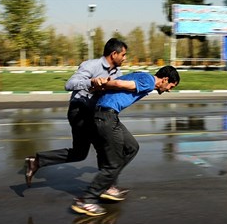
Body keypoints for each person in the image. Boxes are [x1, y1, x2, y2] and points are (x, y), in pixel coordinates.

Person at [71, 65, 180, 216]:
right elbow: (117, 83)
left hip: (108, 115)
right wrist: (98, 84)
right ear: (165, 79)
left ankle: (107, 185)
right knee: (113, 163)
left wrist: (99, 88)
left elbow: (119, 81)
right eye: (170, 86)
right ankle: (87, 199)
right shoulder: (148, 81)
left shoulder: (142, 76)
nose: (169, 89)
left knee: (131, 147)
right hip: (106, 116)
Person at [24, 38, 128, 192]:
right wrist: (91, 82)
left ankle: (37, 161)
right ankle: (107, 186)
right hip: (80, 111)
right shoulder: (91, 65)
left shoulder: (118, 73)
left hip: (95, 113)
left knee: (79, 153)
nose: (125, 58)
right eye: (123, 55)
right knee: (104, 145)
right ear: (114, 54)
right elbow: (70, 84)